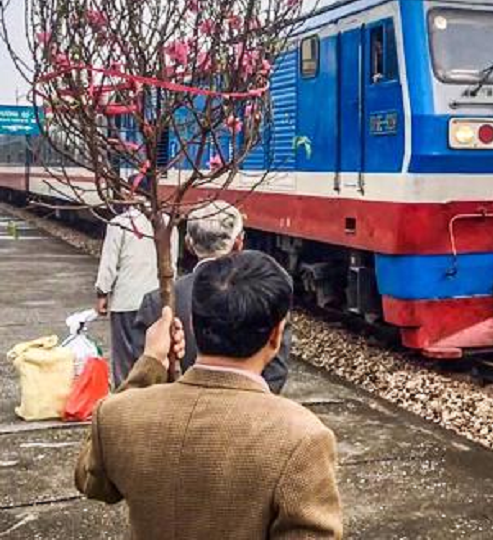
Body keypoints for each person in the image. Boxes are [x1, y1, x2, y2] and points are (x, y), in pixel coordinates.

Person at [75, 250, 342, 540]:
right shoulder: (302, 438)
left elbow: (90, 482)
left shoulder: (118, 416)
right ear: (276, 336)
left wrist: (150, 362)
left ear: (191, 322)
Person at [133, 200, 291, 393]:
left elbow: (141, 373)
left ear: (189, 243)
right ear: (239, 242)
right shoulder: (267, 296)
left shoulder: (156, 302)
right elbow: (275, 373)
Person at [95, 203, 178, 386]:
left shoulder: (119, 223)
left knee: (124, 362)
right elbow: (172, 266)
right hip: (157, 302)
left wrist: (102, 292)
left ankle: (124, 402)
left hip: (126, 301)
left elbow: (109, 263)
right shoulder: (168, 223)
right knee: (153, 358)